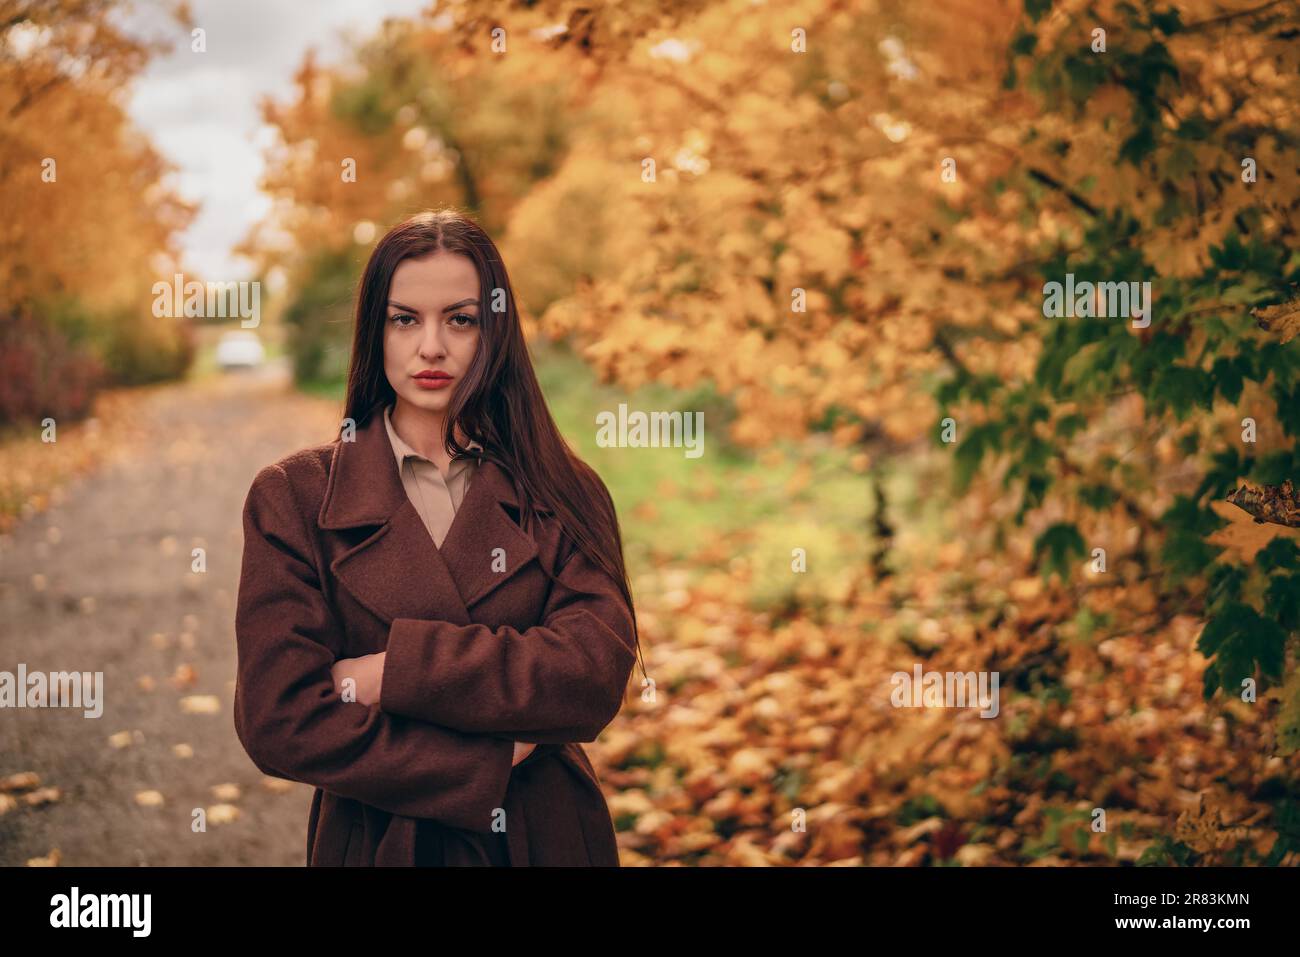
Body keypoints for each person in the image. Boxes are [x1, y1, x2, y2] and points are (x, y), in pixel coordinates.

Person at [233, 208, 642, 866]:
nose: (432, 347)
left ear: (494, 331)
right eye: (405, 319)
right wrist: (484, 760)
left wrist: (389, 671)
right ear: (376, 332)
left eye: (460, 318)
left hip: (544, 837)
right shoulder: (295, 497)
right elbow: (280, 719)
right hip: (376, 842)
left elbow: (590, 676)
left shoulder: (564, 489)